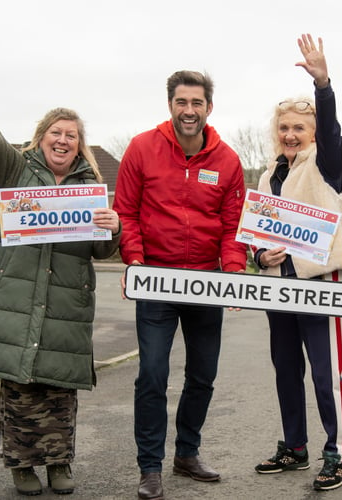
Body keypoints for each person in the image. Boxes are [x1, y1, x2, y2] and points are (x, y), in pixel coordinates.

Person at [0, 60, 121, 496]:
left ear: (79, 146)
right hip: (17, 302)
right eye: (56, 132)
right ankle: (21, 466)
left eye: (71, 135)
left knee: (59, 389)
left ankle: (60, 463)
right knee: (20, 388)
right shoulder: (15, 171)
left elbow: (101, 250)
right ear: (42, 138)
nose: (63, 139)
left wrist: (113, 228)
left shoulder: (90, 186)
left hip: (65, 307)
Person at [113, 70, 247, 500]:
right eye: (181, 102)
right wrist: (134, 261)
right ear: (170, 105)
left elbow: (232, 226)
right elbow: (126, 212)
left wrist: (234, 270)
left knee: (203, 375)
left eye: (197, 103)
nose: (189, 111)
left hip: (206, 282)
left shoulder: (226, 160)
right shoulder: (141, 149)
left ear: (209, 107)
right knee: (152, 374)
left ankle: (187, 453)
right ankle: (149, 467)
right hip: (156, 279)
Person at [252, 34, 342, 491]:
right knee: (286, 370)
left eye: (299, 128)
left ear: (312, 133)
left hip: (322, 284)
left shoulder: (326, 163)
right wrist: (260, 254)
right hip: (279, 287)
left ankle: (337, 454)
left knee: (324, 373)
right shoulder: (267, 174)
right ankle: (295, 447)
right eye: (284, 129)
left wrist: (323, 86)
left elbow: (332, 130)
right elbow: (253, 234)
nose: (291, 135)